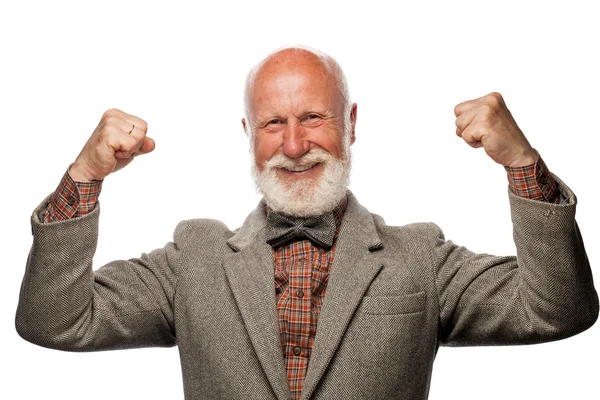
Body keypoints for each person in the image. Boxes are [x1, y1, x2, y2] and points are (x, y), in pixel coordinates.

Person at [16, 46, 598, 400]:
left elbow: (559, 309)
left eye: (313, 118)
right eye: (273, 123)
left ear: (349, 123)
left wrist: (522, 164)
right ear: (248, 136)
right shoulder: (194, 258)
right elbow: (53, 320)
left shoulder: (420, 257)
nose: (294, 146)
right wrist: (85, 176)